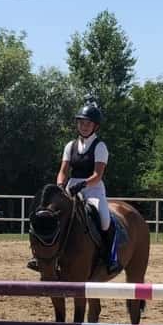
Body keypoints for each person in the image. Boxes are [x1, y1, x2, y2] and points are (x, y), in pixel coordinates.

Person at [27, 97, 121, 275]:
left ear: (95, 126)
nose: (84, 126)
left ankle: (110, 258)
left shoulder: (100, 147)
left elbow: (97, 175)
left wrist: (83, 185)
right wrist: (61, 185)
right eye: (81, 122)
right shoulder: (70, 145)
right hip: (70, 187)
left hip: (93, 188)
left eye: (88, 123)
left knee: (105, 219)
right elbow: (63, 170)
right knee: (47, 214)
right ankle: (38, 256)